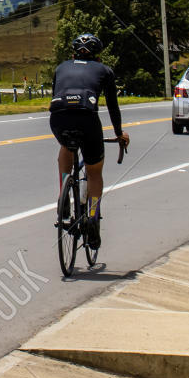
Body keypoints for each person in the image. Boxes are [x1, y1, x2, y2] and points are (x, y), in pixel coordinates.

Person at [49, 33, 128, 248]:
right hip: (87, 118)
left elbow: (57, 92)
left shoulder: (61, 67)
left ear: (73, 54)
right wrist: (119, 133)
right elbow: (113, 106)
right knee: (94, 171)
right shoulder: (104, 71)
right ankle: (92, 216)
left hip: (58, 116)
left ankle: (63, 195)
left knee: (66, 147)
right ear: (99, 56)